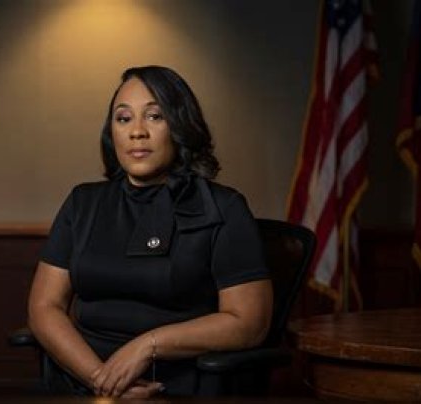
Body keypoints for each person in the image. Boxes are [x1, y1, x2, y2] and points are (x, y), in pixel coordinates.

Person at [28, 65, 273, 398]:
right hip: (85, 381)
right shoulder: (82, 203)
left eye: (155, 117)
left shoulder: (224, 207)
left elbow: (249, 323)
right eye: (123, 118)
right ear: (111, 131)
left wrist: (148, 345)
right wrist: (101, 378)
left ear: (180, 125)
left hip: (176, 385)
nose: (137, 132)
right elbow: (44, 307)